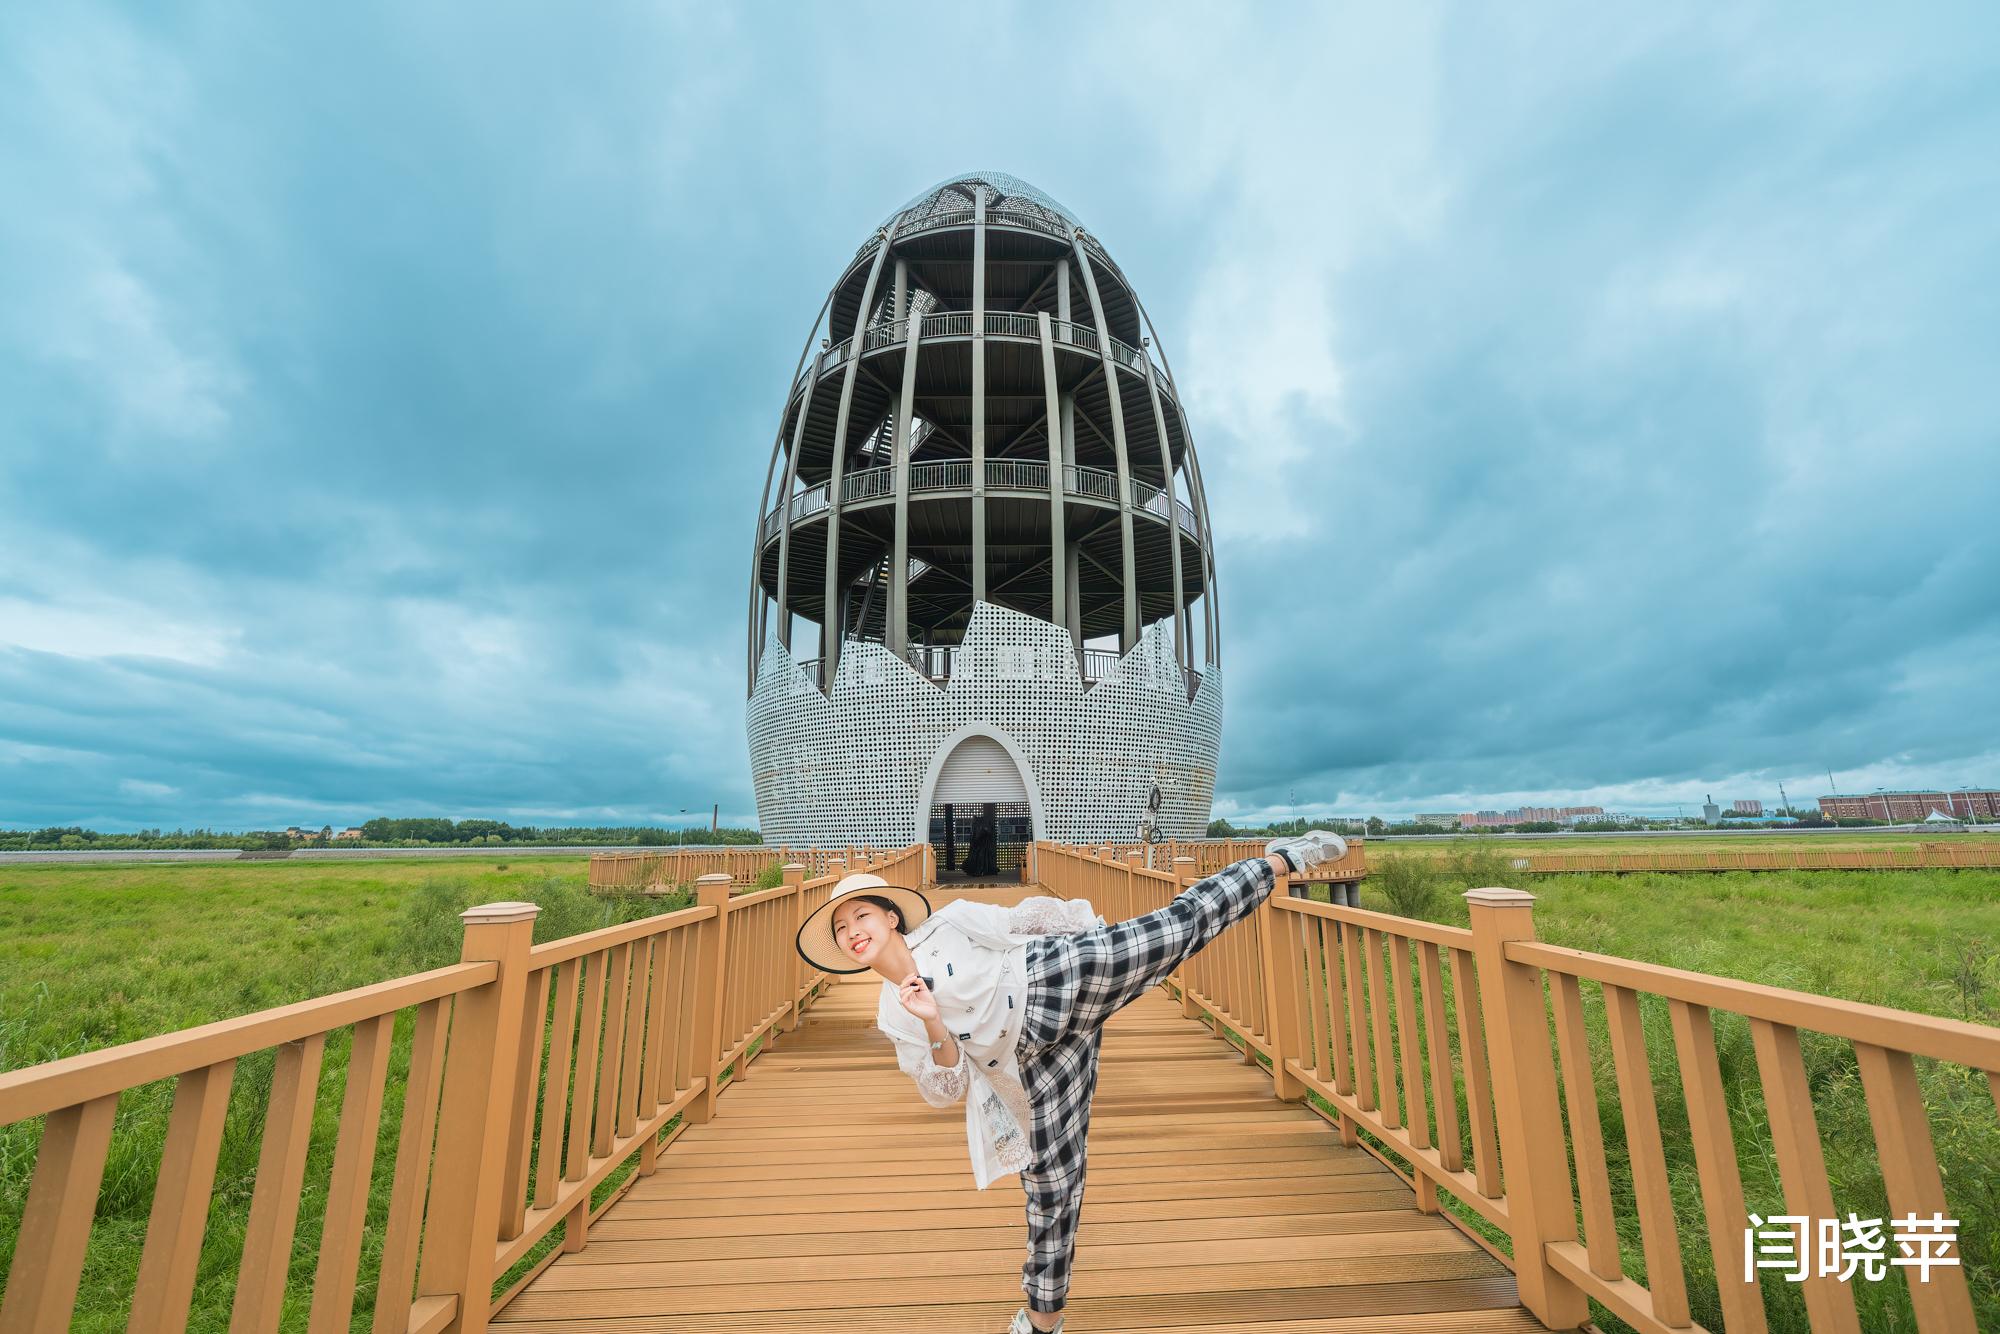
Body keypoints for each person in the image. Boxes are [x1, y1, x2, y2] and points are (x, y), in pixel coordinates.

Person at [793, 829, 1349, 1333]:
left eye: (860, 916)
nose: (852, 932)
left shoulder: (950, 922)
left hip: (1051, 980)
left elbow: (1017, 923)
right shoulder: (893, 1015)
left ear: (890, 916)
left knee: (1171, 931)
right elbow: (946, 1087)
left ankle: (1279, 860)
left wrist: (1090, 931)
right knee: (1052, 1189)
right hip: (1028, 1064)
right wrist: (932, 1020)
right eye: (841, 930)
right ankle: (1043, 1319)